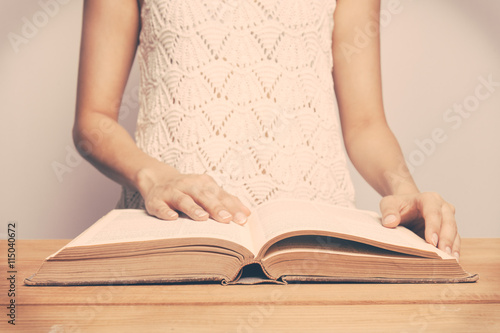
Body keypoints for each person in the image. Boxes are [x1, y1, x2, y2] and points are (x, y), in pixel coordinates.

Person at [73, 0, 460, 260]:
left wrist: (405, 192)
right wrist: (157, 178)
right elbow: (94, 121)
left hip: (314, 246)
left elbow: (365, 124)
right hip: (170, 238)